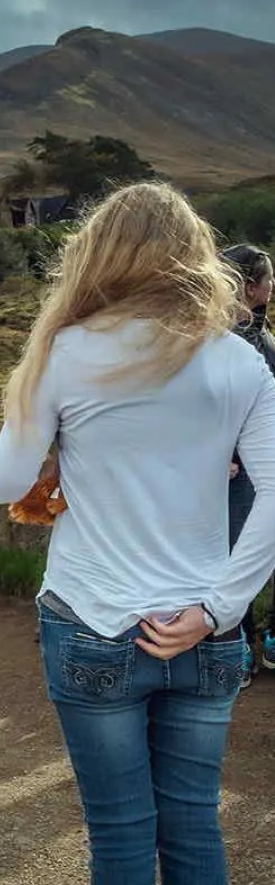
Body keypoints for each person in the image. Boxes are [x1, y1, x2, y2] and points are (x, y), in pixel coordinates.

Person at [0, 182, 275, 885]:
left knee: (118, 835)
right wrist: (218, 610)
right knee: (195, 823)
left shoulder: (65, 352)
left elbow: (2, 483)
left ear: (97, 256)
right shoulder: (240, 361)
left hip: (92, 618)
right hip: (204, 630)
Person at [222, 244, 275, 684]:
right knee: (236, 558)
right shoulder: (221, 338)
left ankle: (265, 639)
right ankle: (237, 648)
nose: (274, 286)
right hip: (237, 474)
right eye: (269, 279)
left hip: (263, 467)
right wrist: (224, 456)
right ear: (252, 287)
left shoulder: (259, 330)